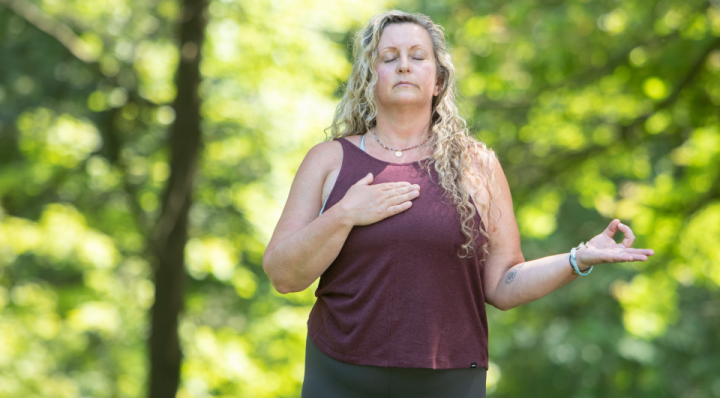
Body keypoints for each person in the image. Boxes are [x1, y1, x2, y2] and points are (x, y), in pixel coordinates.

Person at [262, 10, 655, 398]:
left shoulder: (476, 164)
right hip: (340, 375)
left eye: (417, 57)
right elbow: (284, 276)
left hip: (449, 380)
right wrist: (345, 214)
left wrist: (578, 258)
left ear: (438, 81)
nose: (403, 66)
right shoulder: (328, 160)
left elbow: (503, 284)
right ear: (369, 77)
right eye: (388, 58)